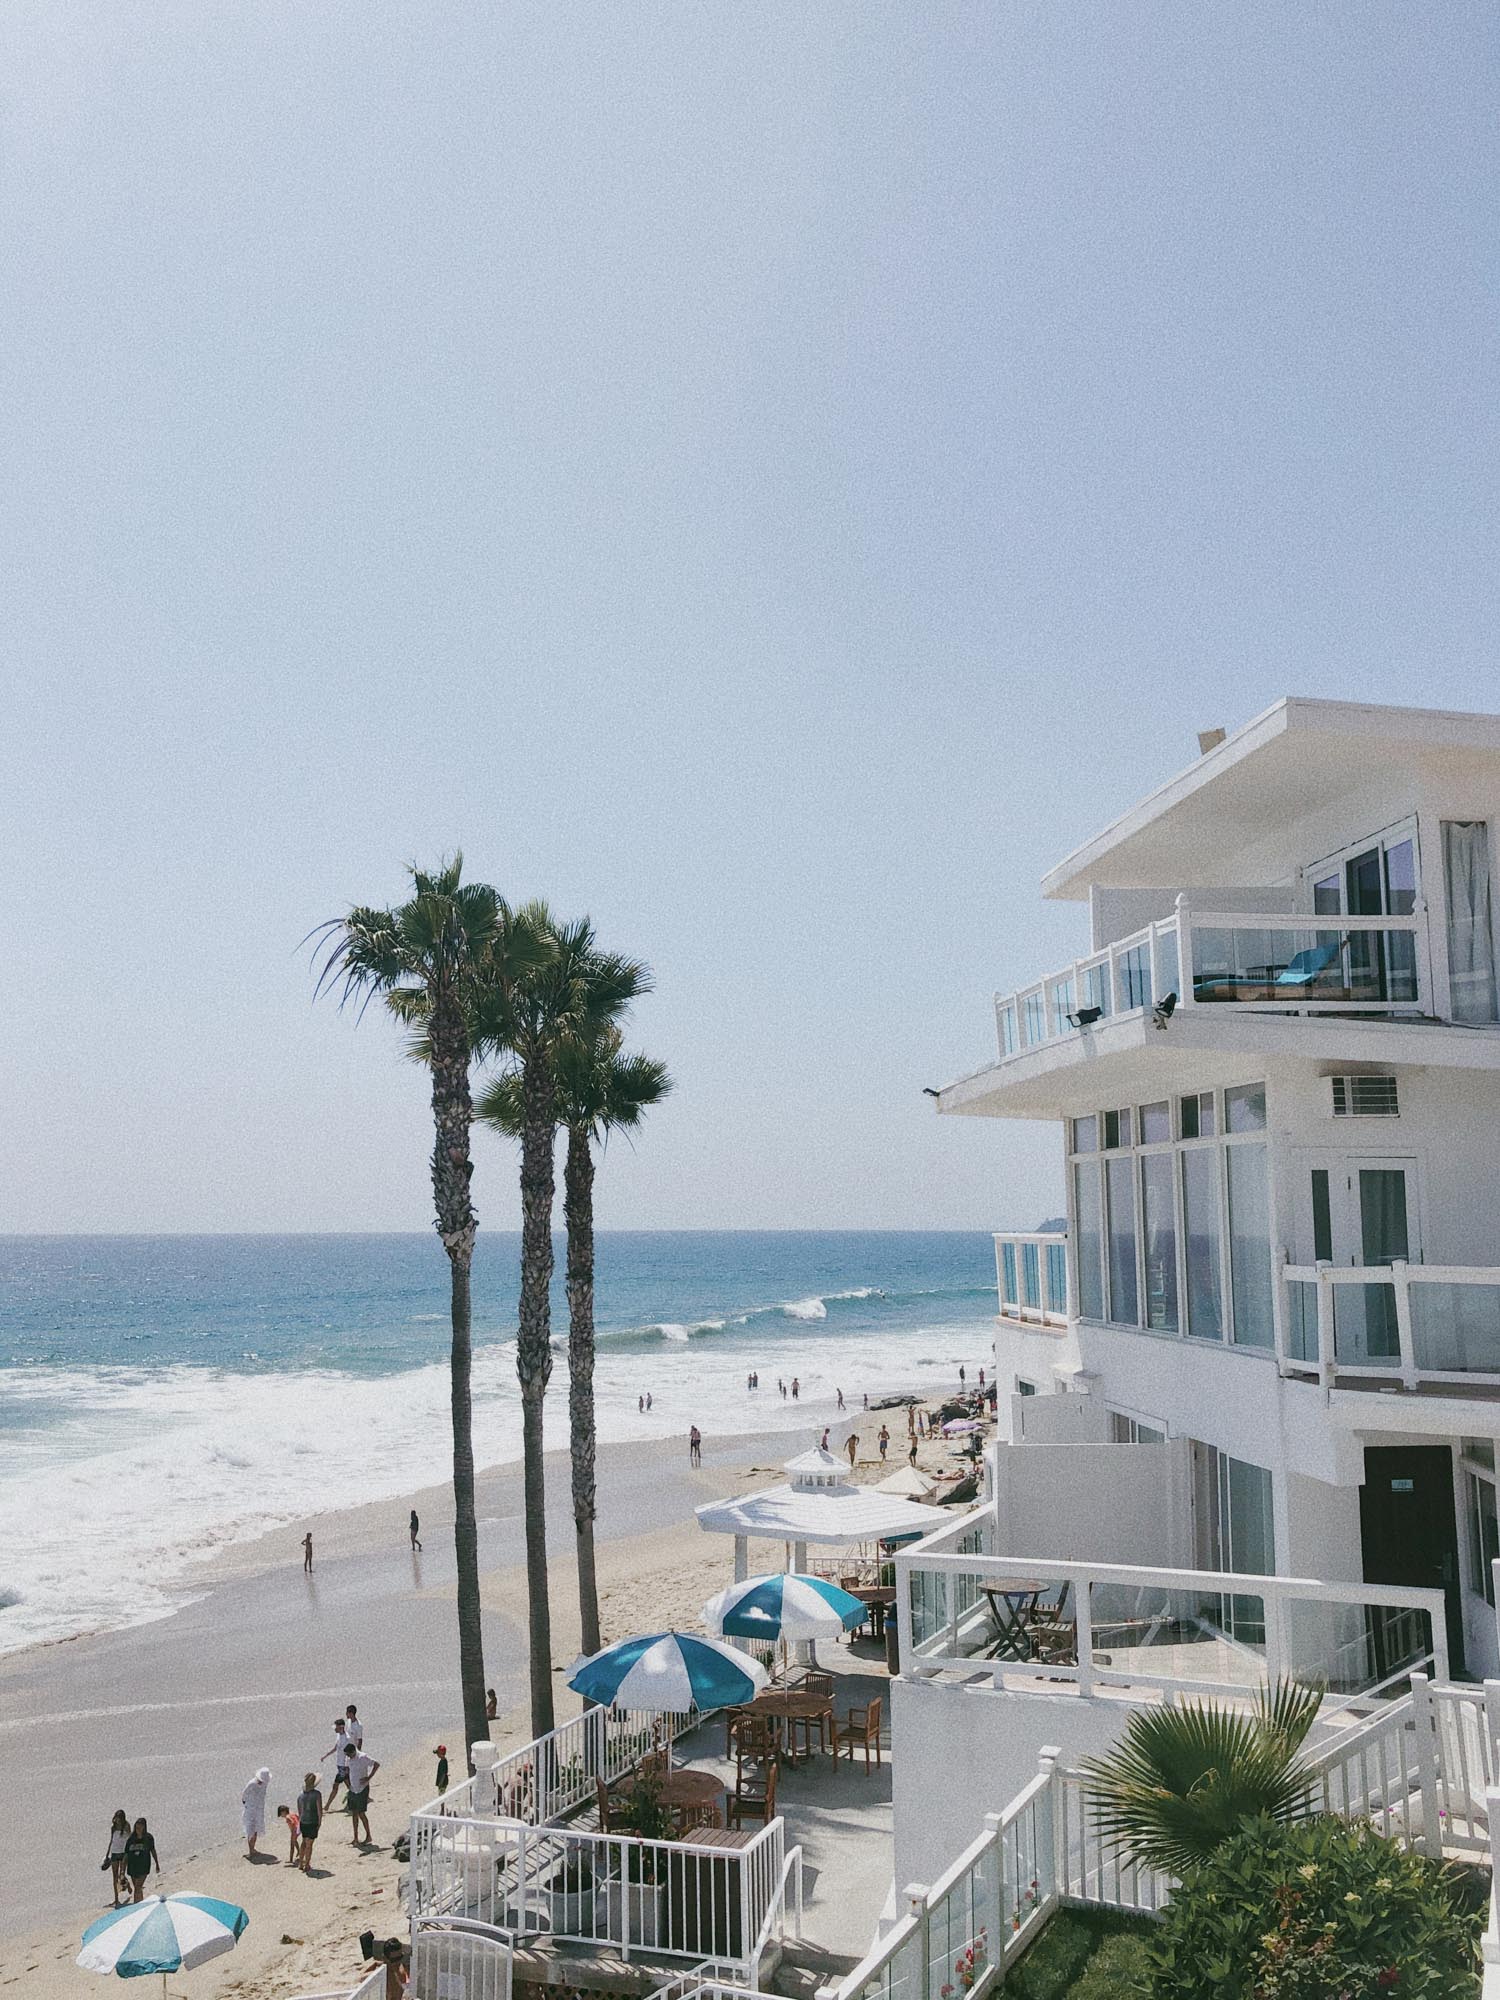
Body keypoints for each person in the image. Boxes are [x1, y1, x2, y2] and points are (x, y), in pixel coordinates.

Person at [345, 1745, 379, 1847]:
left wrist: (368, 1778)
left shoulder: (363, 1757)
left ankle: (368, 1836)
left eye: (349, 1754)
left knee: (361, 1813)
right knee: (354, 1813)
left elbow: (376, 1764)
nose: (348, 1757)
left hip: (362, 1788)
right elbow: (348, 1771)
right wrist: (348, 1784)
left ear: (353, 1751)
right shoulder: (349, 1758)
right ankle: (355, 1837)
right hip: (353, 1789)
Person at [122, 1818, 159, 1903]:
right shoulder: (131, 1839)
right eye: (137, 1826)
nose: (138, 1828)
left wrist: (157, 1863)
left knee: (138, 1887)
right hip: (132, 1867)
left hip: (144, 1866)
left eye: (140, 1826)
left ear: (144, 1827)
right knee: (137, 1889)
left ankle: (136, 1907)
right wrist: (122, 1871)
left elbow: (153, 1851)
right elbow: (126, 1855)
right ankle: (141, 1904)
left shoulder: (148, 1838)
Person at [102, 1809, 130, 1907]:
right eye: (116, 1818)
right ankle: (116, 1899)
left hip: (123, 1852)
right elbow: (111, 1840)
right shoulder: (113, 1828)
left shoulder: (126, 1826)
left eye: (119, 1818)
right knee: (114, 1877)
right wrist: (107, 1854)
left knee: (121, 1874)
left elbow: (129, 1838)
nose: (117, 1820)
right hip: (114, 1852)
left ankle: (127, 1884)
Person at [296, 1772, 324, 1872]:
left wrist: (300, 1822)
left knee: (304, 1841)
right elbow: (319, 1810)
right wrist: (320, 1822)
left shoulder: (300, 1796)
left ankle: (300, 1863)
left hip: (304, 1821)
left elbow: (300, 1811)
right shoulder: (317, 1794)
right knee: (309, 1844)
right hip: (313, 1821)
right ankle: (307, 1864)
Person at [241, 1766, 271, 1856]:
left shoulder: (264, 1784)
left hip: (259, 1808)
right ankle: (251, 1849)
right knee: (250, 1828)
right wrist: (247, 1805)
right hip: (251, 1809)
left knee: (256, 1829)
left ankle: (252, 1848)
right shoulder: (252, 1783)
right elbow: (244, 1794)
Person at [322, 1718, 351, 1807]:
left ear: (341, 1727)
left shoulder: (347, 1738)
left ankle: (327, 1805)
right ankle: (356, 1800)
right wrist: (326, 1755)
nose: (335, 1729)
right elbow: (336, 1748)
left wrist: (347, 1767)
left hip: (343, 1767)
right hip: (339, 1765)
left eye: (336, 1727)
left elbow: (349, 1753)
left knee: (335, 1786)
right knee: (349, 1786)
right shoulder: (339, 1736)